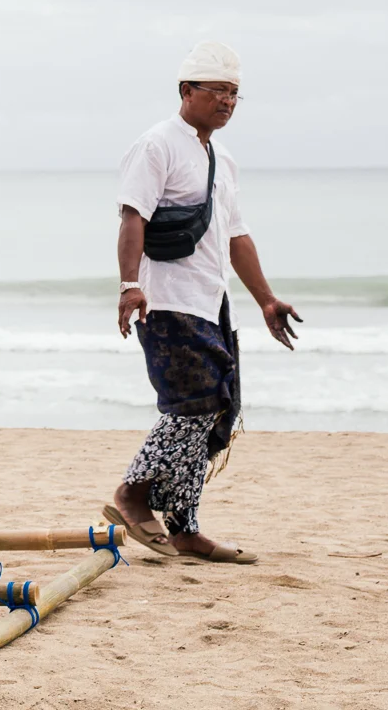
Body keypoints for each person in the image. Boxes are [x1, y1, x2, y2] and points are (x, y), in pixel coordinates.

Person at [105, 42, 300, 562]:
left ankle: (185, 526)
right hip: (165, 299)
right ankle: (131, 493)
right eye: (217, 90)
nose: (228, 101)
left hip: (212, 301)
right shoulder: (156, 145)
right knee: (192, 402)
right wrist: (129, 284)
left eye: (235, 93)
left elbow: (236, 235)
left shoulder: (222, 158)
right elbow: (133, 217)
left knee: (219, 408)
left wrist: (265, 300)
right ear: (186, 91)